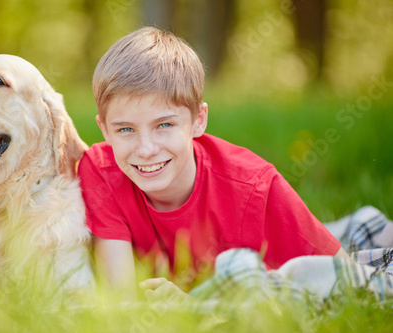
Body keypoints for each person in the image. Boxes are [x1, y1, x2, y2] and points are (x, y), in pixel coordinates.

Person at [78, 26, 349, 302]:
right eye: (126, 130)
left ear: (199, 120)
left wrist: (193, 305)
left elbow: (349, 277)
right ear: (105, 130)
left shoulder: (255, 186)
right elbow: (121, 300)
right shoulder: (101, 171)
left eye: (165, 125)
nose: (146, 149)